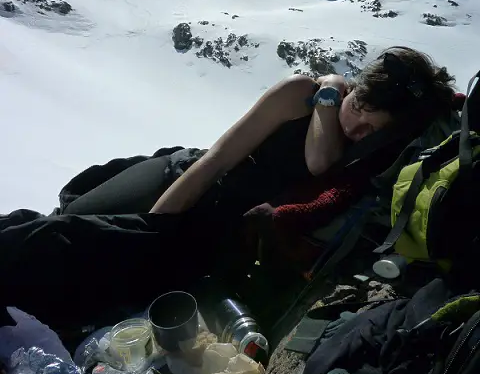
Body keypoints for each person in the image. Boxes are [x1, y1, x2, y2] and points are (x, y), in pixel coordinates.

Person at [0, 46, 457, 335]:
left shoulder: (361, 144)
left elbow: (323, 161)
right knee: (71, 233)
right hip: (183, 182)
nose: (355, 124)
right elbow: (216, 158)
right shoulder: (302, 92)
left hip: (218, 228)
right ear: (355, 85)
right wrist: (157, 225)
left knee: (97, 275)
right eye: (358, 106)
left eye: (369, 128)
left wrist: (336, 97)